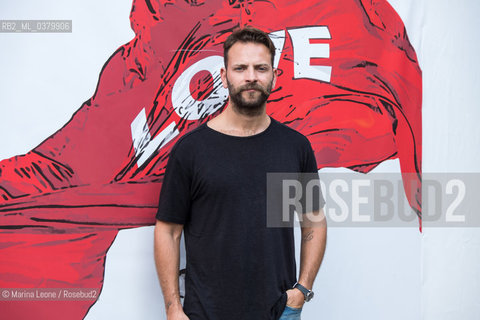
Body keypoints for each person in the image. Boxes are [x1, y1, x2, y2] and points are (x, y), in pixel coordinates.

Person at [154, 26, 327, 320]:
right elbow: (168, 231)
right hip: (205, 313)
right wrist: (173, 307)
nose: (251, 77)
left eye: (261, 68)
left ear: (274, 75)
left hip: (277, 312)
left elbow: (314, 223)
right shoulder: (191, 150)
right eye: (240, 68)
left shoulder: (295, 148)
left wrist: (302, 290)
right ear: (224, 76)